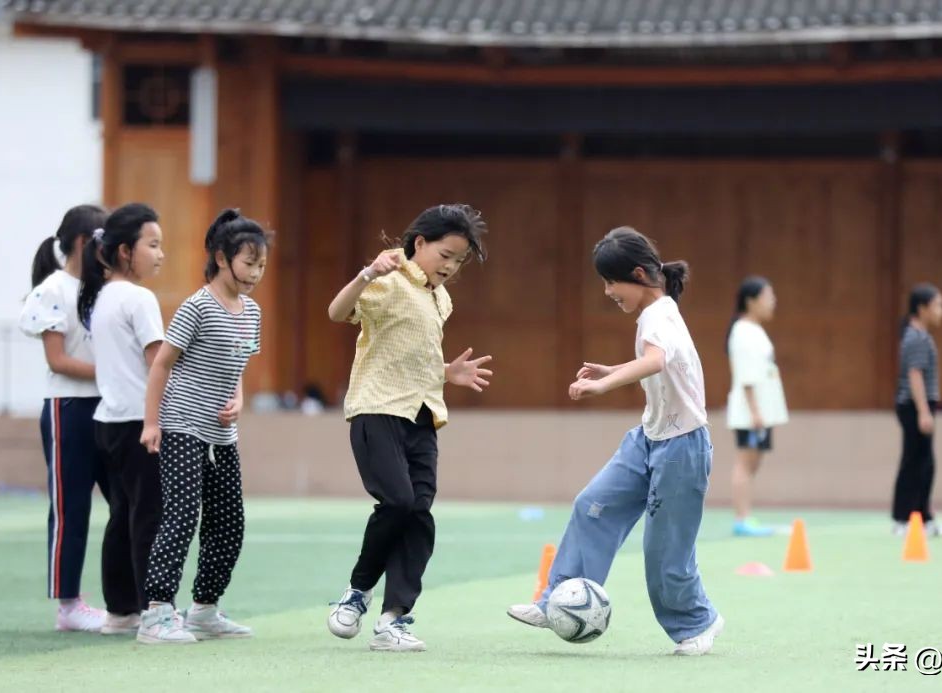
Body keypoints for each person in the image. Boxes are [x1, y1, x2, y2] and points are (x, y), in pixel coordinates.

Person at [507, 226, 723, 657]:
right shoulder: (654, 314)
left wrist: (603, 388)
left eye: (611, 282)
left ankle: (698, 621)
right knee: (592, 505)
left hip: (682, 448)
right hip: (648, 438)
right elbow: (658, 364)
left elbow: (657, 360)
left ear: (639, 274)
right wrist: (613, 371)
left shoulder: (659, 314)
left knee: (665, 551)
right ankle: (556, 601)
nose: (607, 292)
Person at [326, 204, 492, 653]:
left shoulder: (442, 299)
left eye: (459, 261)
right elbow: (337, 313)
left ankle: (392, 619)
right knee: (397, 501)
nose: (451, 267)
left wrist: (446, 373)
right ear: (419, 243)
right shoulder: (387, 280)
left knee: (419, 515)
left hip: (423, 416)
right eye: (446, 254)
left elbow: (410, 354)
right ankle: (358, 591)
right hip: (376, 410)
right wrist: (365, 275)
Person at [136, 209, 268, 644]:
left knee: (230, 521)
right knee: (182, 514)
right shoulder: (197, 306)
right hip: (180, 426)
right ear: (221, 257)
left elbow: (239, 364)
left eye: (261, 265)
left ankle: (205, 610)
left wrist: (239, 399)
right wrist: (151, 422)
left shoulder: (251, 311)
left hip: (221, 435)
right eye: (249, 263)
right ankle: (156, 613)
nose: (255, 273)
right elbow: (161, 365)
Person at [19, 204, 110, 632]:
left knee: (128, 505)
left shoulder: (108, 288)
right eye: (104, 240)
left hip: (110, 409)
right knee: (71, 507)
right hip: (68, 409)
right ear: (82, 242)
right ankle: (68, 604)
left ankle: (135, 601)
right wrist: (117, 373)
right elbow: (58, 361)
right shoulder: (53, 289)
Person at [77, 203, 166, 635]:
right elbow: (159, 364)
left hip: (108, 421)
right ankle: (154, 610)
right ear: (126, 251)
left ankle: (120, 611)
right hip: (139, 420)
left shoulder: (102, 295)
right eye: (153, 244)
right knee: (149, 515)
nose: (160, 254)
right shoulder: (138, 297)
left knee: (123, 516)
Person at [725, 276, 788, 537]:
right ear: (751, 301)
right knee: (745, 462)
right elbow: (746, 375)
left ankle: (746, 515)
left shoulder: (756, 329)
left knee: (753, 463)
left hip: (761, 410)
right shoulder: (743, 331)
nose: (772, 302)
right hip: (751, 412)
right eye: (767, 297)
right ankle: (742, 519)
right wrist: (755, 412)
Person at [892, 283, 942, 537]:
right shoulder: (915, 337)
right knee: (914, 462)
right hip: (914, 405)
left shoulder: (921, 336)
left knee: (926, 463)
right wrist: (923, 411)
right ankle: (902, 519)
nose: (941, 311)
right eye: (937, 305)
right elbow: (915, 375)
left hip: (922, 404)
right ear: (922, 308)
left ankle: (923, 517)